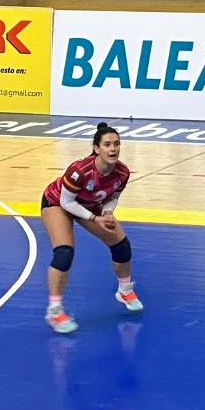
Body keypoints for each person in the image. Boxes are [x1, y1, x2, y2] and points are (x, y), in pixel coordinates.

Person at [40, 122, 141, 334]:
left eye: (116, 144)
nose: (113, 149)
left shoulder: (122, 172)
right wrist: (96, 218)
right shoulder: (79, 171)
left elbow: (112, 197)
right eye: (107, 145)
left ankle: (124, 290)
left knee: (121, 244)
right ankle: (54, 310)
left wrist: (107, 213)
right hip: (58, 202)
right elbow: (67, 203)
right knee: (64, 251)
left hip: (88, 205)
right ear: (96, 149)